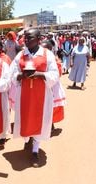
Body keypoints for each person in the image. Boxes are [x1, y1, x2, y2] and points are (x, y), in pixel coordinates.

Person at [10, 28, 59, 167]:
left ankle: (35, 151)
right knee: (26, 118)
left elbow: (55, 74)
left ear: (38, 39)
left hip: (41, 95)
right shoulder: (20, 55)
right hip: (24, 94)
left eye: (29, 38)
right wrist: (20, 76)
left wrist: (39, 74)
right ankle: (27, 139)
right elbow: (12, 73)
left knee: (40, 119)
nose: (26, 40)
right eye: (25, 38)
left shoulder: (47, 54)